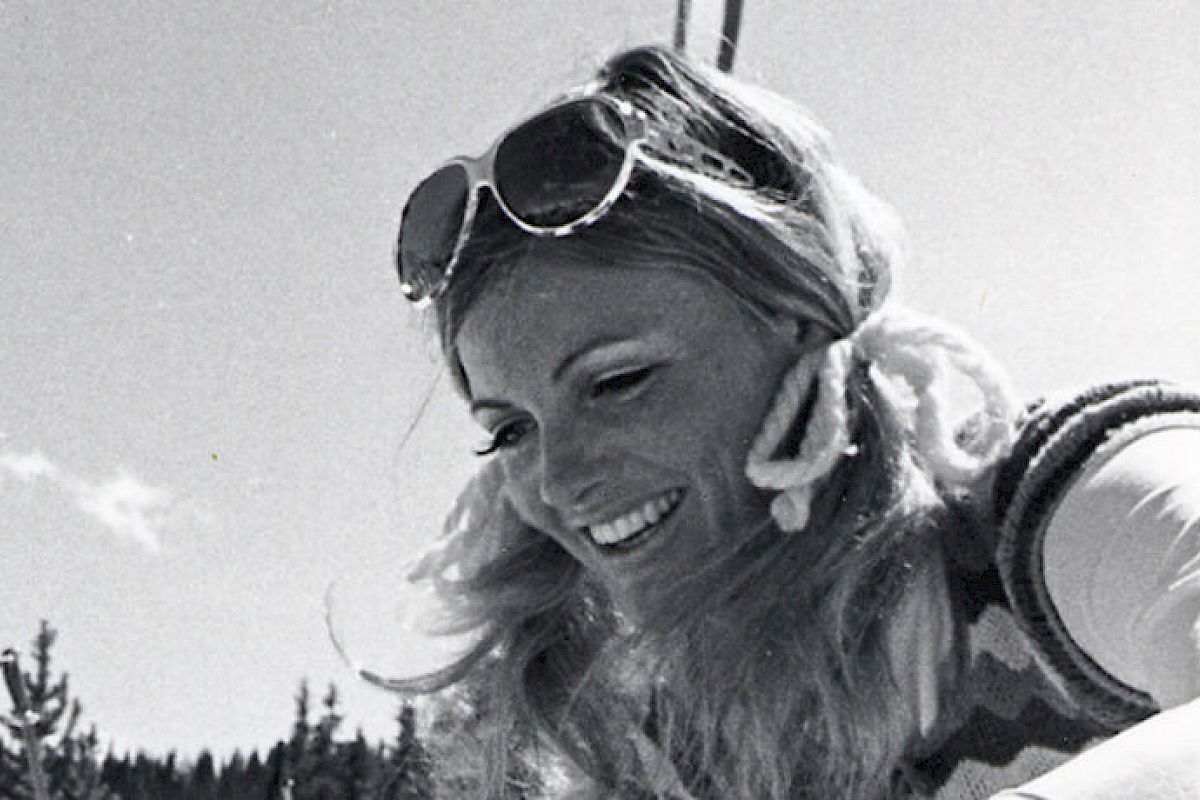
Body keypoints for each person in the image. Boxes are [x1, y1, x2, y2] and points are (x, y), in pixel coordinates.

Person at [389, 45, 1200, 799]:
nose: (559, 481)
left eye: (618, 382)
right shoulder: (652, 749)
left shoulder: (1050, 513)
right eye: (510, 430)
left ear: (803, 318)